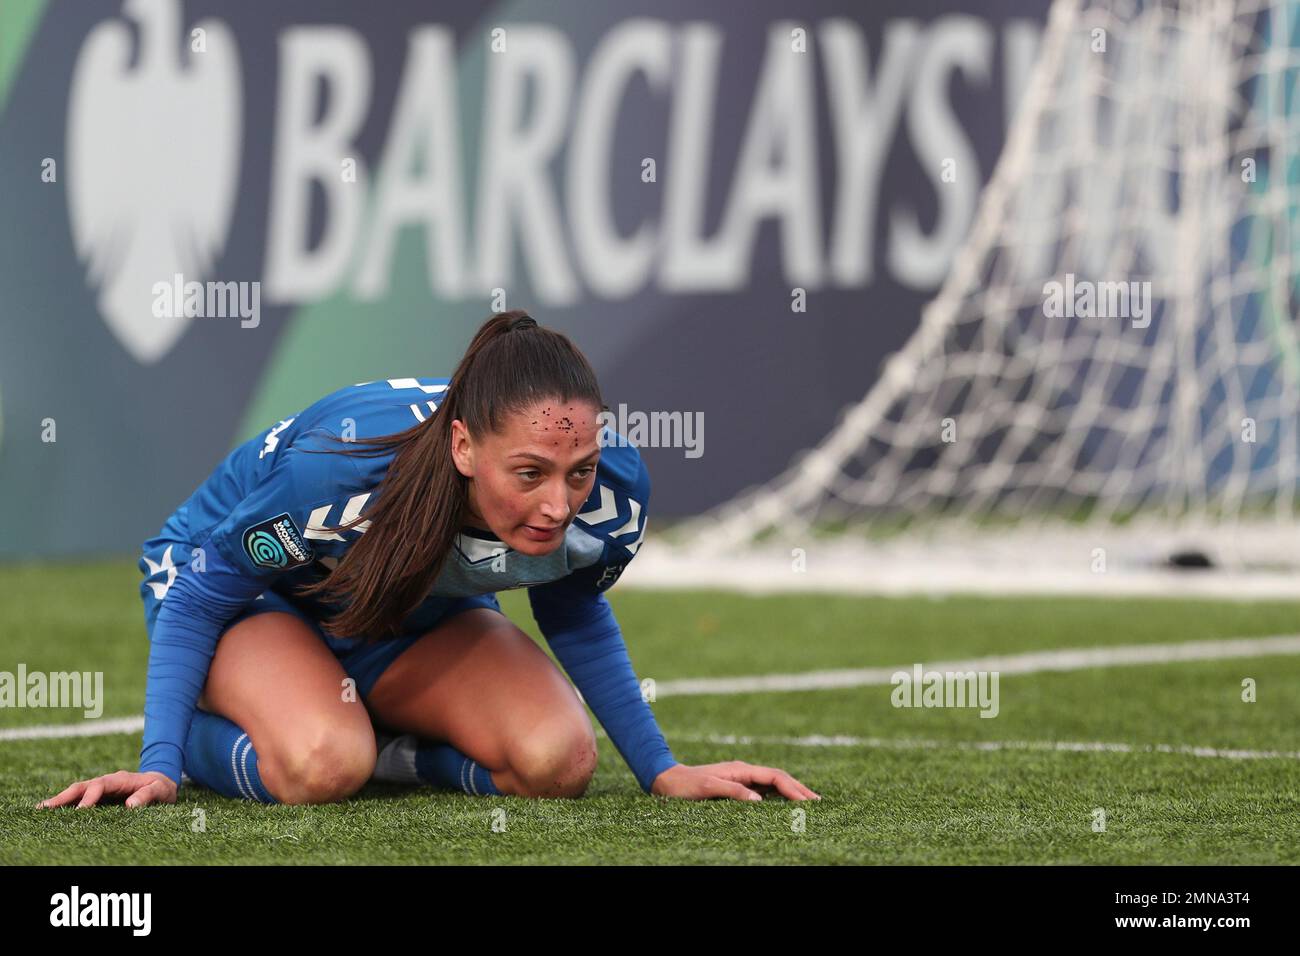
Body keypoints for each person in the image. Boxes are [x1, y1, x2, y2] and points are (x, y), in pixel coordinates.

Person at [38, 311, 819, 808]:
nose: (558, 503)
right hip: (245, 594)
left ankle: (375, 739)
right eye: (529, 474)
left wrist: (660, 768)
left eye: (576, 468)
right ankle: (268, 730)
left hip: (397, 613)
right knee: (320, 763)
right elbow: (206, 592)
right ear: (463, 446)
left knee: (558, 761)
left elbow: (572, 601)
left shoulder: (614, 491)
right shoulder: (338, 474)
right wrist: (161, 764)